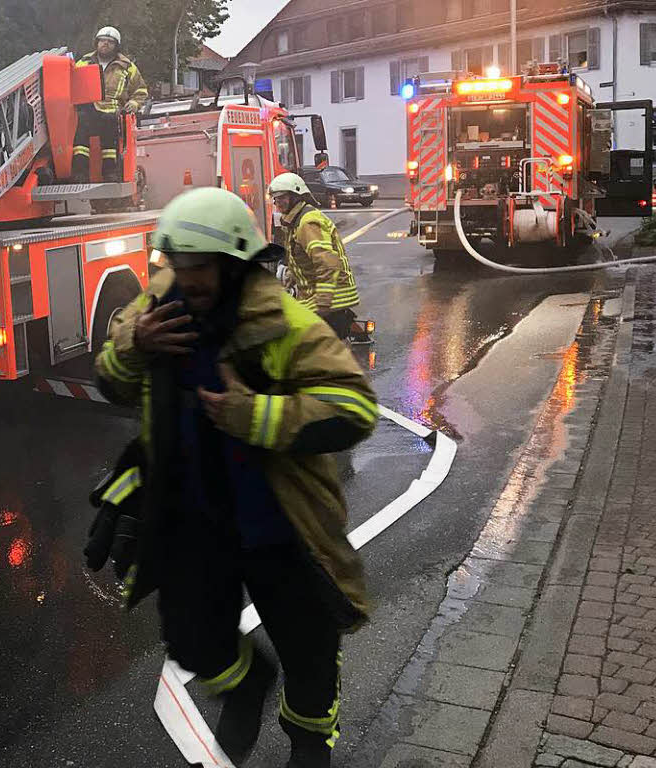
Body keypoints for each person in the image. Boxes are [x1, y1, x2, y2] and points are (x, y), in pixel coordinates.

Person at [93, 187, 377, 767]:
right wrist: (136, 349)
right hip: (195, 518)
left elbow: (354, 407)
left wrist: (257, 415)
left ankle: (307, 743)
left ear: (235, 263)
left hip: (279, 525)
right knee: (191, 633)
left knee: (310, 652)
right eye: (178, 265)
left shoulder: (282, 322)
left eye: (200, 268)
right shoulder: (157, 310)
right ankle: (247, 685)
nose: (186, 280)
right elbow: (110, 379)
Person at [268, 172, 361, 339]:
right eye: (275, 198)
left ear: (296, 196)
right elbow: (303, 258)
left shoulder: (307, 223)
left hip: (331, 300)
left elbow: (328, 264)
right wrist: (291, 275)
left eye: (282, 197)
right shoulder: (294, 222)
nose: (277, 202)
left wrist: (323, 303)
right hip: (317, 297)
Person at [71, 26, 148, 183]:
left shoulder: (127, 66)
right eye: (102, 41)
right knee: (80, 126)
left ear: (116, 45)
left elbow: (140, 90)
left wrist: (134, 102)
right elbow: (70, 85)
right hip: (88, 110)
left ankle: (110, 172)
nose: (105, 44)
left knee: (109, 130)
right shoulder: (83, 63)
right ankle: (80, 174)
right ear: (96, 43)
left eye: (110, 42)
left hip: (113, 113)